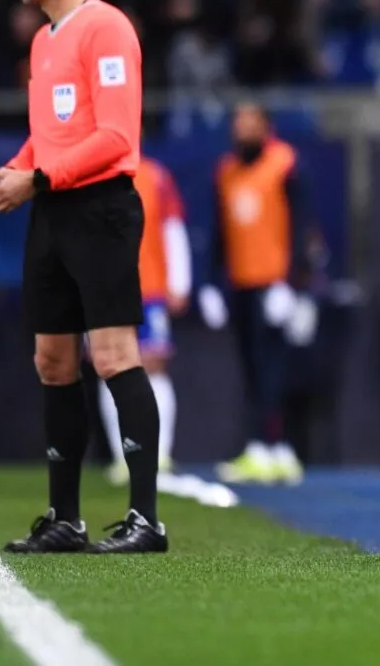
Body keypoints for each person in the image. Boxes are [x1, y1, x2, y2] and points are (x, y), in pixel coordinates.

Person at [0, 0, 167, 553]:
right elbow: (50, 133)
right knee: (52, 362)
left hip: (100, 209)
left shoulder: (107, 28)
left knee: (113, 355)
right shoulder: (42, 42)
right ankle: (67, 518)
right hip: (53, 208)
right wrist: (18, 166)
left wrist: (36, 177)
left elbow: (116, 136)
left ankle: (147, 520)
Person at [199, 103, 309, 485]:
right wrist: (212, 282)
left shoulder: (284, 163)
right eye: (238, 123)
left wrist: (293, 282)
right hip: (240, 282)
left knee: (272, 367)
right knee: (248, 364)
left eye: (251, 123)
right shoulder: (226, 171)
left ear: (267, 127)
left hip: (273, 281)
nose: (243, 130)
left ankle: (269, 444)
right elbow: (219, 230)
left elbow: (302, 224)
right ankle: (271, 448)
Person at [101, 153, 191, 486]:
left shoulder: (155, 175)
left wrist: (179, 281)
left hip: (150, 287)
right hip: (106, 288)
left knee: (153, 365)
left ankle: (160, 452)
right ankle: (123, 455)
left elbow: (172, 228)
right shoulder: (91, 177)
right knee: (110, 367)